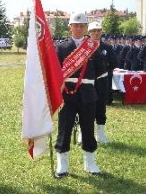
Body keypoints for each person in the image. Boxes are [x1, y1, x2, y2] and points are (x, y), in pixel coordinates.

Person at [54, 13, 104, 177]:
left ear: (85, 28)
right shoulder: (61, 48)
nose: (78, 28)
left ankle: (90, 163)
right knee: (64, 128)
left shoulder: (93, 47)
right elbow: (55, 70)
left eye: (81, 26)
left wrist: (85, 80)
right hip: (66, 94)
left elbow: (100, 69)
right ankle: (63, 164)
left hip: (88, 94)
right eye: (75, 25)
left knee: (88, 128)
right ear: (70, 27)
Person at [88, 21, 116, 143]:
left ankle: (101, 134)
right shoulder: (84, 47)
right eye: (93, 31)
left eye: (98, 30)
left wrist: (103, 71)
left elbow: (114, 63)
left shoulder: (107, 48)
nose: (96, 33)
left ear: (101, 32)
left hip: (102, 82)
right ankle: (83, 133)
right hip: (87, 83)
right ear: (89, 33)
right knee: (86, 107)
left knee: (101, 107)